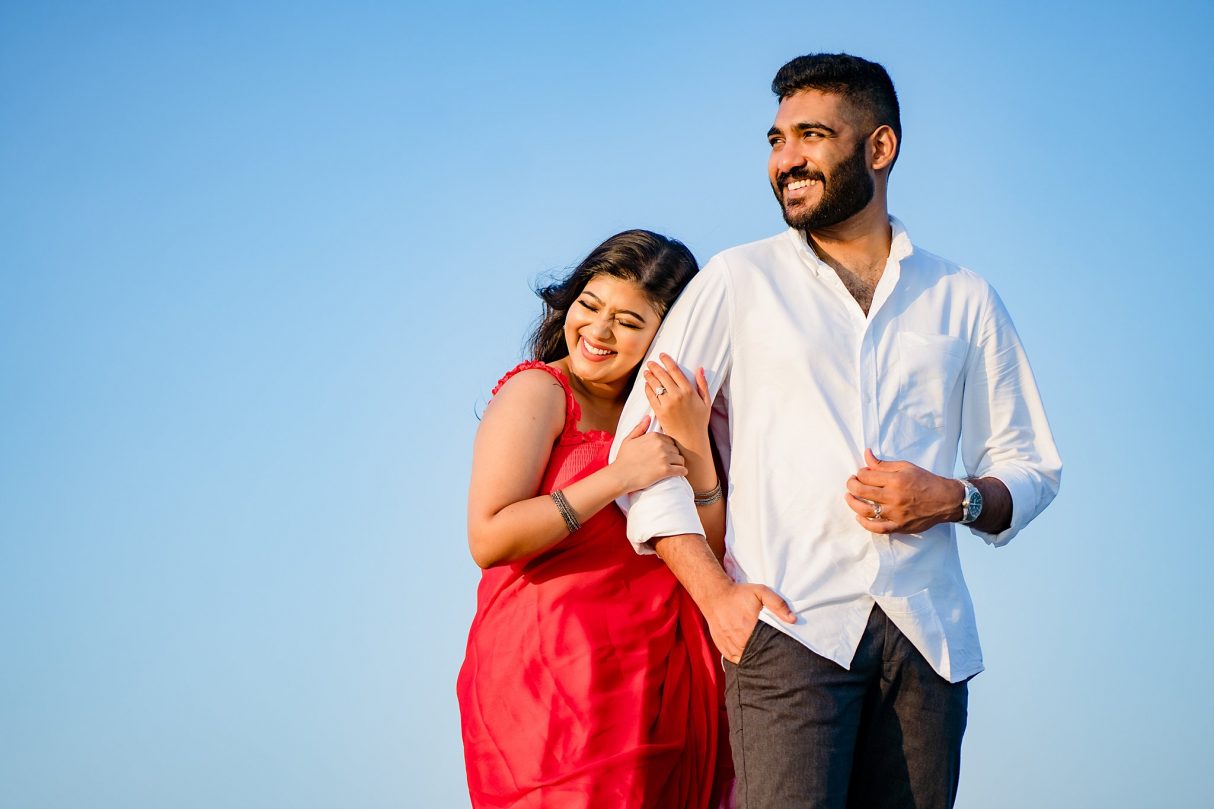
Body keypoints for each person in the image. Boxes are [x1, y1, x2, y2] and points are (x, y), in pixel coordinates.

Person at [609, 54, 1063, 808]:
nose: (785, 159)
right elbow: (641, 452)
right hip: (788, 630)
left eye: (811, 136)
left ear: (879, 148)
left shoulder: (963, 298)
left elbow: (1031, 464)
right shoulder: (736, 279)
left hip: (927, 647)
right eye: (776, 138)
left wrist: (954, 497)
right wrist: (717, 595)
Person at [457, 230, 734, 809]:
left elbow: (707, 549)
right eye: (590, 305)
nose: (599, 331)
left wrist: (693, 443)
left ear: (667, 334)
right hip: (551, 680)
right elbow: (489, 537)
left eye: (629, 322)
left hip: (659, 675)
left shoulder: (668, 406)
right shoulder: (540, 391)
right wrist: (616, 476)